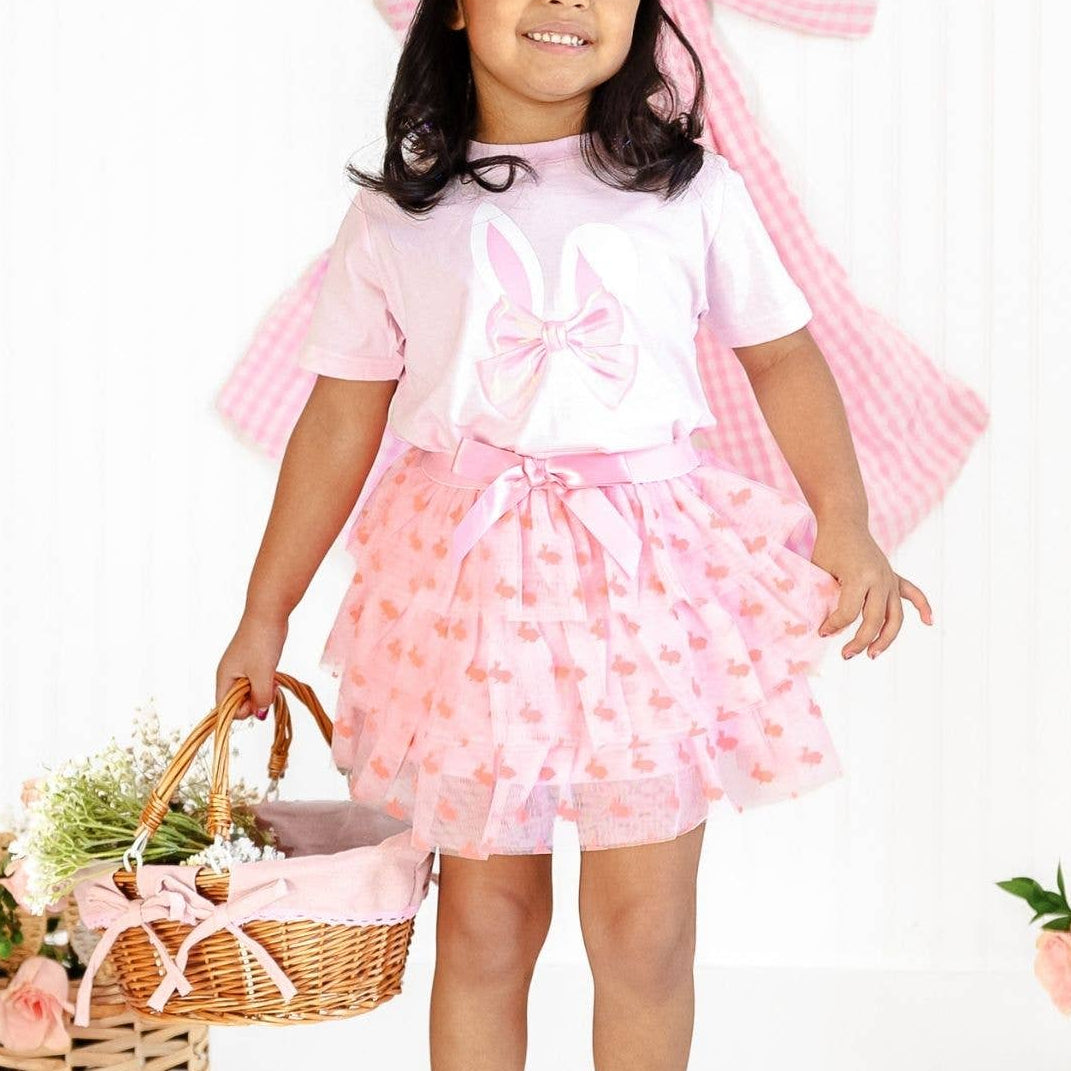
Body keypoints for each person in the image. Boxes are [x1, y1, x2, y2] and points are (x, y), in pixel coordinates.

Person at [215, 0, 932, 1065]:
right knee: (487, 924)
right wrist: (262, 611)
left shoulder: (693, 192)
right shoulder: (400, 219)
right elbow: (339, 418)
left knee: (645, 934)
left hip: (647, 596)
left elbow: (782, 357)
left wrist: (848, 521)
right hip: (470, 603)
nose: (566, 4)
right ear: (457, 9)